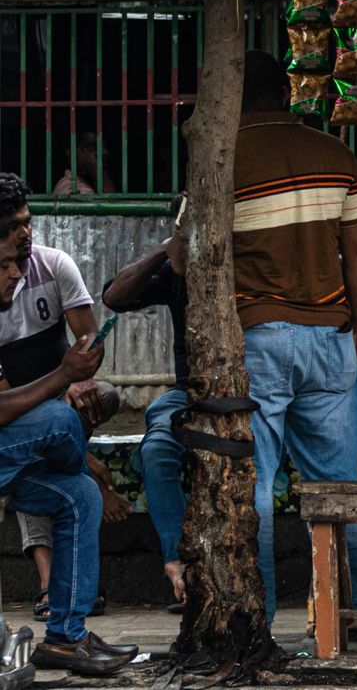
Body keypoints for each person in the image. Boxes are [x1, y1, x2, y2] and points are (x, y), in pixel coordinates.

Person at [234, 51, 357, 635]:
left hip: (260, 338)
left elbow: (182, 258)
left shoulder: (221, 160)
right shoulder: (336, 154)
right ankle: (344, 614)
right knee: (339, 488)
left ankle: (258, 618)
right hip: (333, 337)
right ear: (288, 92)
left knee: (258, 485)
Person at [0, 234, 139, 675]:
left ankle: (65, 637)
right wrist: (62, 375)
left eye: (16, 264)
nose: (16, 275)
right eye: (4, 265)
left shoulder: (49, 269)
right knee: (60, 423)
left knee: (80, 495)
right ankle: (86, 467)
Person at [102, 193, 188, 608]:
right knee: (156, 449)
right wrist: (164, 250)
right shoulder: (174, 271)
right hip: (188, 393)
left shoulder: (244, 268)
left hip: (249, 392)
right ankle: (178, 562)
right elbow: (114, 297)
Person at [53, 128, 118, 196]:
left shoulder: (83, 183)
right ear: (72, 153)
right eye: (94, 147)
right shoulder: (71, 187)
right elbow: (110, 204)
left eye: (105, 146)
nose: (105, 152)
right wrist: (95, 167)